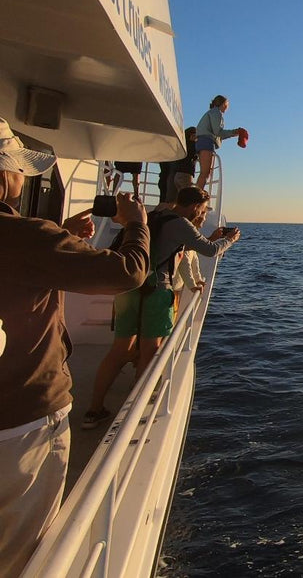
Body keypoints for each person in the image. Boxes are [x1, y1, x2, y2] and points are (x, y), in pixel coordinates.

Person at [0, 118, 149, 576]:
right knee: (22, 553)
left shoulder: (29, 237)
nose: (23, 178)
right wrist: (136, 225)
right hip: (22, 425)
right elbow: (129, 272)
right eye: (17, 167)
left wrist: (57, 233)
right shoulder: (23, 236)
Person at [85, 187, 240, 427]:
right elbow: (210, 252)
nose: (200, 214)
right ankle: (132, 415)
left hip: (128, 290)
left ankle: (94, 411)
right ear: (193, 205)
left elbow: (168, 246)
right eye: (200, 210)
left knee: (119, 351)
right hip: (156, 292)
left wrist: (207, 238)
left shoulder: (153, 215)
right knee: (149, 352)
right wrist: (227, 240)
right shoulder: (181, 223)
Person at [195, 96, 244, 190]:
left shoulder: (212, 112)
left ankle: (197, 196)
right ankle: (196, 197)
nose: (228, 106)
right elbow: (218, 132)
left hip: (203, 142)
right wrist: (235, 132)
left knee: (205, 173)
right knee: (205, 173)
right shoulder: (216, 113)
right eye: (227, 104)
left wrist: (233, 133)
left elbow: (216, 133)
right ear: (223, 104)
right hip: (206, 142)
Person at [170, 126, 198, 202]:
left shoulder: (183, 146)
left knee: (180, 198)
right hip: (185, 175)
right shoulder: (192, 146)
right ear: (192, 135)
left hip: (177, 175)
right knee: (187, 198)